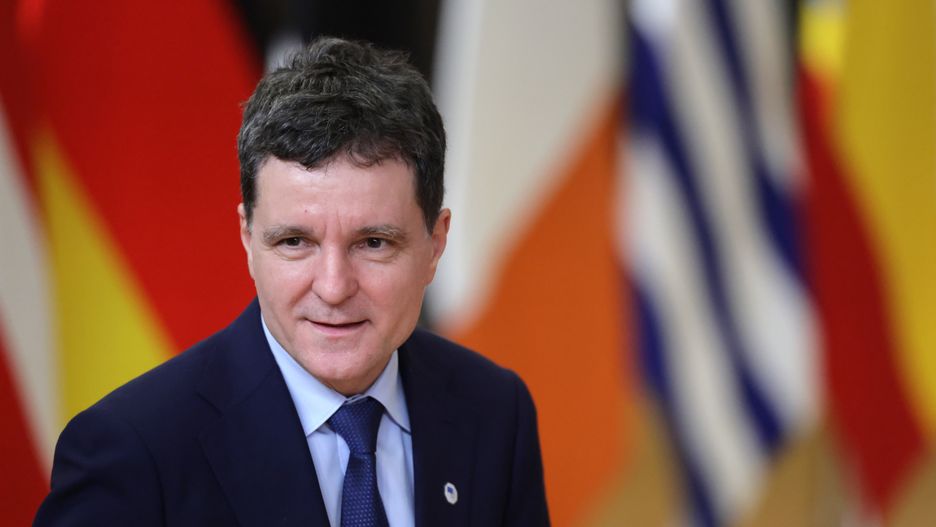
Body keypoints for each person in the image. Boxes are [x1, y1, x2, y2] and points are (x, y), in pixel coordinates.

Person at [33, 37, 549, 526]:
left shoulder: (494, 411)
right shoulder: (132, 451)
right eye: (295, 242)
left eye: (373, 243)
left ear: (435, 244)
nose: (333, 287)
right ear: (247, 239)